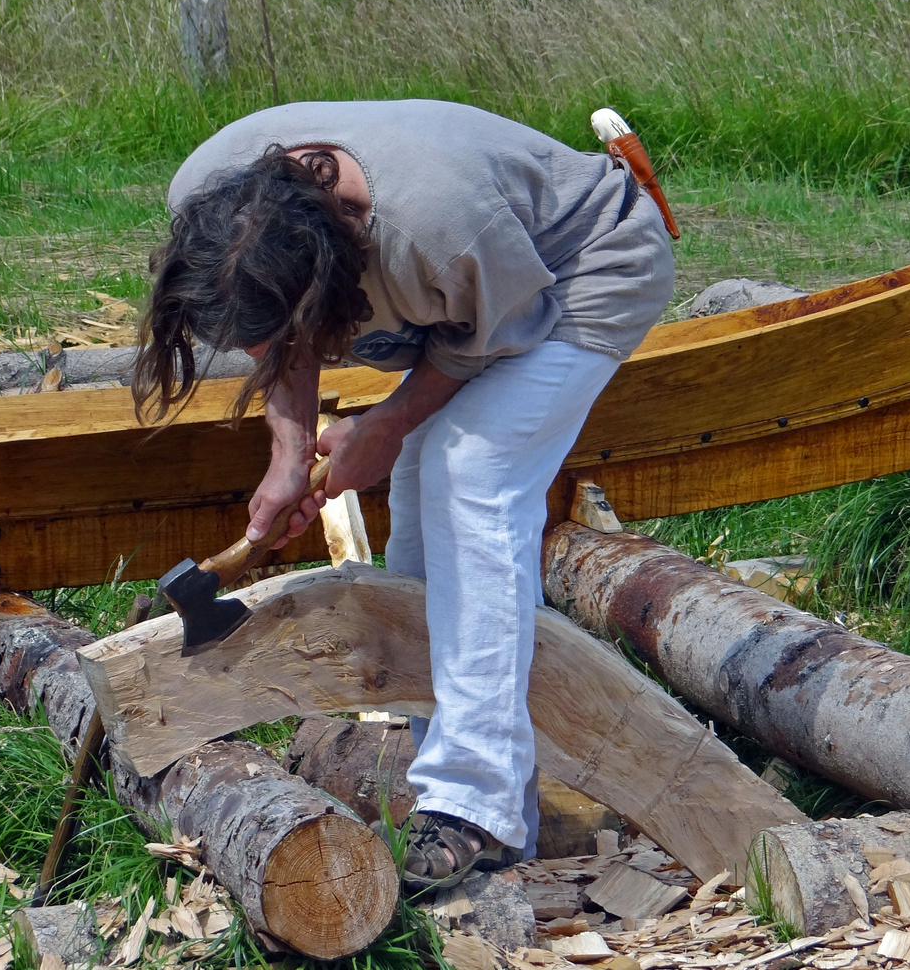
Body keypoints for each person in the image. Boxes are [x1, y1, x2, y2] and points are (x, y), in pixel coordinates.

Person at [133, 99, 674, 891]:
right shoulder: (212, 196)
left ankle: (474, 806)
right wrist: (289, 454)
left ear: (323, 272)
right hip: (473, 296)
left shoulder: (438, 226)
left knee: (471, 476)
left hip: (584, 268)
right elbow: (283, 340)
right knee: (422, 530)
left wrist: (383, 427)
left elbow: (490, 334)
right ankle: (465, 795)